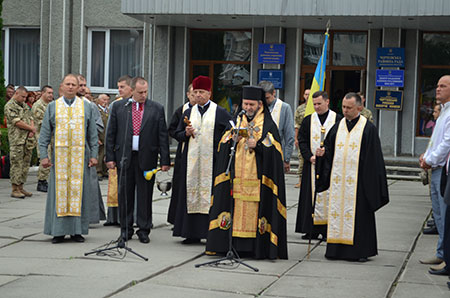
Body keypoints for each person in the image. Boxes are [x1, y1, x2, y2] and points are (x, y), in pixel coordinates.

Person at [206, 86, 288, 259]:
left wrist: (257, 146)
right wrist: (231, 140)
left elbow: (275, 152)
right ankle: (231, 245)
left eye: (252, 104)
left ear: (259, 104)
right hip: (236, 179)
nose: (248, 108)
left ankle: (254, 248)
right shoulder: (237, 120)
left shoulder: (267, 124)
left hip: (258, 180)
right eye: (245, 104)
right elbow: (222, 144)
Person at [316, 92, 389, 261]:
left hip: (359, 183)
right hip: (338, 183)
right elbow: (328, 149)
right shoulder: (338, 126)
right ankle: (335, 250)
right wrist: (322, 154)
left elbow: (374, 159)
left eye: (349, 108)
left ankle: (359, 252)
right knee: (337, 213)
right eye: (343, 107)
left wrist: (368, 183)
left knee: (359, 216)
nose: (345, 110)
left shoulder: (368, 128)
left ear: (359, 107)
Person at [105, 76, 170, 244]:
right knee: (125, 194)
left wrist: (165, 160)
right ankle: (125, 229)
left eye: (146, 92)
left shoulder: (156, 108)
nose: (143, 95)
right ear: (132, 90)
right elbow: (111, 133)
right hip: (125, 157)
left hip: (147, 158)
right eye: (140, 92)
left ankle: (144, 228)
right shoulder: (119, 107)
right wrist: (110, 157)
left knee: (145, 195)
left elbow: (162, 136)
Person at [39, 74, 99, 244]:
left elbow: (93, 135)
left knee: (78, 194)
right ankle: (58, 232)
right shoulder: (52, 107)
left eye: (74, 84)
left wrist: (94, 155)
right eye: (68, 84)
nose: (71, 87)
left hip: (81, 160)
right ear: (62, 87)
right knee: (59, 195)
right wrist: (43, 156)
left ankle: (77, 231)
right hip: (59, 161)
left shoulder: (86, 107)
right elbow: (43, 135)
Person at [172, 75, 231, 244]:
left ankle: (209, 232)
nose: (198, 95)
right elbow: (176, 133)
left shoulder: (220, 112)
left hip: (212, 163)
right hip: (191, 164)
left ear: (209, 94)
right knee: (190, 195)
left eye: (201, 92)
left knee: (209, 197)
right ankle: (190, 233)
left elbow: (229, 132)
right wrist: (186, 134)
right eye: (196, 92)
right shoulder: (188, 112)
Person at [295, 91, 342, 241]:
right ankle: (310, 229)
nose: (316, 107)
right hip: (312, 165)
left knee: (329, 196)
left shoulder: (337, 120)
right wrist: (309, 156)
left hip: (330, 167)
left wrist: (326, 153)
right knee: (310, 196)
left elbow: (340, 142)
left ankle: (327, 229)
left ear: (327, 102)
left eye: (319, 104)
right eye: (314, 104)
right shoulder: (308, 120)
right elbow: (302, 140)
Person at [419, 75, 450, 275]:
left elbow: (447, 142)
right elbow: (435, 141)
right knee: (438, 213)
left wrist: (431, 159)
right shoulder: (444, 111)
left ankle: (446, 257)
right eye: (437, 85)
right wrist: (426, 156)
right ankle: (441, 252)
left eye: (442, 86)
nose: (437, 89)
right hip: (435, 168)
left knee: (445, 215)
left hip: (442, 169)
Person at [104, 75, 133, 227]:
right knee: (122, 189)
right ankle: (123, 221)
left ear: (131, 88)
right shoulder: (116, 105)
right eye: (118, 87)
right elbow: (110, 133)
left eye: (122, 87)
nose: (119, 90)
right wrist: (109, 156)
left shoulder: (142, 105)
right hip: (121, 155)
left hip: (138, 155)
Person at [77, 74, 106, 224]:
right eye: (80, 85)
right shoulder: (59, 105)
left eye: (84, 85)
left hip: (86, 149)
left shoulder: (90, 105)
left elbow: (99, 125)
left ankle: (90, 216)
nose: (82, 88)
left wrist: (87, 130)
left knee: (89, 184)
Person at [167, 83, 196, 225]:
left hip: (202, 156)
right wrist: (184, 134)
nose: (196, 96)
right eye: (193, 93)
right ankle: (177, 220)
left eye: (198, 92)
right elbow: (172, 130)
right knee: (180, 187)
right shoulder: (182, 111)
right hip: (184, 153)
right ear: (188, 94)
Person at [4, 86, 36, 198]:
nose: (24, 99)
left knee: (25, 164)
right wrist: (30, 129)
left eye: (25, 97)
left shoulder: (24, 106)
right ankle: (15, 189)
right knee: (16, 164)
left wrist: (32, 129)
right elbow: (17, 122)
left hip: (27, 140)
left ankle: (21, 187)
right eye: (22, 96)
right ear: (16, 93)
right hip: (17, 140)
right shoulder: (10, 106)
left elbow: (31, 118)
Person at [258, 81, 295, 173]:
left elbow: (289, 135)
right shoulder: (257, 107)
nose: (264, 101)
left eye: (267, 98)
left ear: (273, 93)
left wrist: (286, 158)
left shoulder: (284, 108)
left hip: (276, 154)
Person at [32, 85, 54, 192]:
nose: (51, 95)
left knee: (50, 160)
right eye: (48, 93)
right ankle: (41, 182)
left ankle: (46, 180)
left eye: (51, 93)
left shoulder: (50, 105)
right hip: (42, 137)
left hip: (51, 138)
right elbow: (43, 123)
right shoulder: (38, 106)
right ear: (42, 93)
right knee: (45, 159)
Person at [294, 89, 310, 188]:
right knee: (301, 159)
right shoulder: (300, 109)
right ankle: (300, 180)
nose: (307, 96)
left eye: (309, 94)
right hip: (303, 138)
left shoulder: (316, 108)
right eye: (306, 94)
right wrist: (296, 138)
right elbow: (297, 125)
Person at [96, 93, 110, 179]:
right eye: (103, 100)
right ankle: (98, 171)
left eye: (107, 100)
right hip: (100, 136)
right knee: (99, 154)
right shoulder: (97, 110)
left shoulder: (108, 110)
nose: (105, 102)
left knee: (106, 154)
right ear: (99, 100)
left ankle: (105, 171)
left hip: (106, 136)